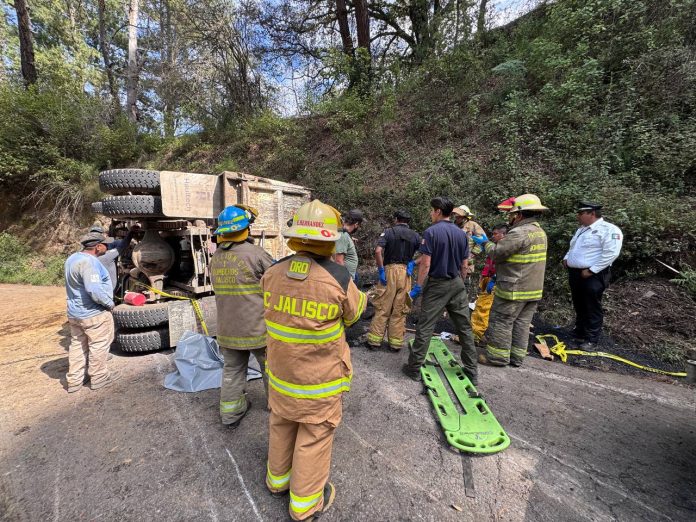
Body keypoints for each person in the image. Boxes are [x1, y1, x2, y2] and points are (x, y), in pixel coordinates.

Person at [262, 200, 366, 521]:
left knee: (281, 424)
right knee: (313, 436)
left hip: (280, 376)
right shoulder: (337, 278)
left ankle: (276, 482)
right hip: (317, 381)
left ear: (294, 237)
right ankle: (305, 506)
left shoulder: (272, 272)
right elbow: (356, 316)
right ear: (330, 239)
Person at [210, 205, 274, 428]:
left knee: (233, 370)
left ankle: (230, 414)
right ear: (246, 229)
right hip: (258, 330)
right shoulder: (256, 255)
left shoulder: (215, 258)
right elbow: (277, 283)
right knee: (270, 368)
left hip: (228, 330)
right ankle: (277, 408)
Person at [402, 197, 478, 385]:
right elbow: (465, 264)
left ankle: (413, 368)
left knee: (426, 326)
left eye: (431, 210)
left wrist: (418, 286)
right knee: (464, 328)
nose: (430, 213)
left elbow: (426, 263)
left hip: (437, 285)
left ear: (437, 211)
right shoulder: (461, 234)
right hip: (457, 283)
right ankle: (471, 371)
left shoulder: (431, 232)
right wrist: (461, 282)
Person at [473, 194, 548, 367]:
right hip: (533, 290)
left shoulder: (519, 233)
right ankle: (516, 357)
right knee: (522, 324)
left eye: (512, 214)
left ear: (519, 215)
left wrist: (486, 243)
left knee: (501, 321)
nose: (510, 218)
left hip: (514, 288)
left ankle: (497, 357)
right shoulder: (540, 233)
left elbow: (498, 252)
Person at [563, 201, 623, 349]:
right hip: (576, 273)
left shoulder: (609, 230)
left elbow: (611, 253)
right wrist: (566, 258)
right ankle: (580, 333)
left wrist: (591, 270)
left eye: (581, 213)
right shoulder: (582, 229)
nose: (578, 216)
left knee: (591, 306)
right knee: (579, 304)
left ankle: (591, 339)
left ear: (592, 213)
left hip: (593, 274)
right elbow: (574, 247)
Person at [64, 232, 118, 393]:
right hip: (93, 313)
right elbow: (94, 289)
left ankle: (74, 380)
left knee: (78, 346)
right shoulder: (89, 263)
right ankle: (99, 377)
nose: (107, 248)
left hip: (75, 313)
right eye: (105, 245)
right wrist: (109, 304)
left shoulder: (72, 259)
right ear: (98, 247)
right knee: (98, 344)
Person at [366, 209, 421, 351]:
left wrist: (381, 270)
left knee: (383, 307)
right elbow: (427, 255)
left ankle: (374, 342)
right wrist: (413, 263)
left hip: (389, 271)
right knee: (400, 309)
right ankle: (395, 344)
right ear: (408, 221)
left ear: (396, 219)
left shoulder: (388, 232)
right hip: (405, 273)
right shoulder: (415, 236)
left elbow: (378, 251)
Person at [470, 224, 508, 340]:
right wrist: (483, 277)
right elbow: (489, 264)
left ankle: (475, 336)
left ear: (504, 235)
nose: (493, 236)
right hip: (488, 279)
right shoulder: (495, 247)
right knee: (481, 306)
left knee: (483, 308)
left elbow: (503, 267)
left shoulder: (504, 249)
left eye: (496, 234)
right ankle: (477, 333)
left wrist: (494, 278)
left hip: (494, 281)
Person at [97, 225, 138, 291]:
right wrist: (131, 233)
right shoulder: (106, 256)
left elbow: (119, 243)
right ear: (99, 246)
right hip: (107, 290)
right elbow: (121, 247)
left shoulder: (86, 255)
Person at [451, 205, 485, 278]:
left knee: (465, 283)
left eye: (459, 216)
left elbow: (483, 240)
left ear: (465, 216)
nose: (457, 218)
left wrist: (473, 253)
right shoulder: (452, 226)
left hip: (467, 262)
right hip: (453, 263)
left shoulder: (472, 225)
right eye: (456, 216)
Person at [334, 209, 363, 282]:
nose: (358, 228)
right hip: (345, 280)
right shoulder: (343, 235)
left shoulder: (345, 234)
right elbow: (338, 261)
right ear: (356, 224)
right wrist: (346, 280)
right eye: (359, 225)